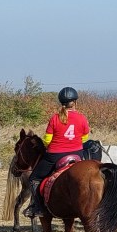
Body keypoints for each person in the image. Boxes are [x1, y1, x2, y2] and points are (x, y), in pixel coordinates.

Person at [23, 87, 90, 218]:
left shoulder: (55, 118)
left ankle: (38, 207)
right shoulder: (82, 118)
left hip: (55, 155)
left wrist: (53, 145)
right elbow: (85, 138)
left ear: (61, 102)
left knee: (34, 178)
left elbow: (47, 139)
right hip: (77, 154)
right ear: (75, 102)